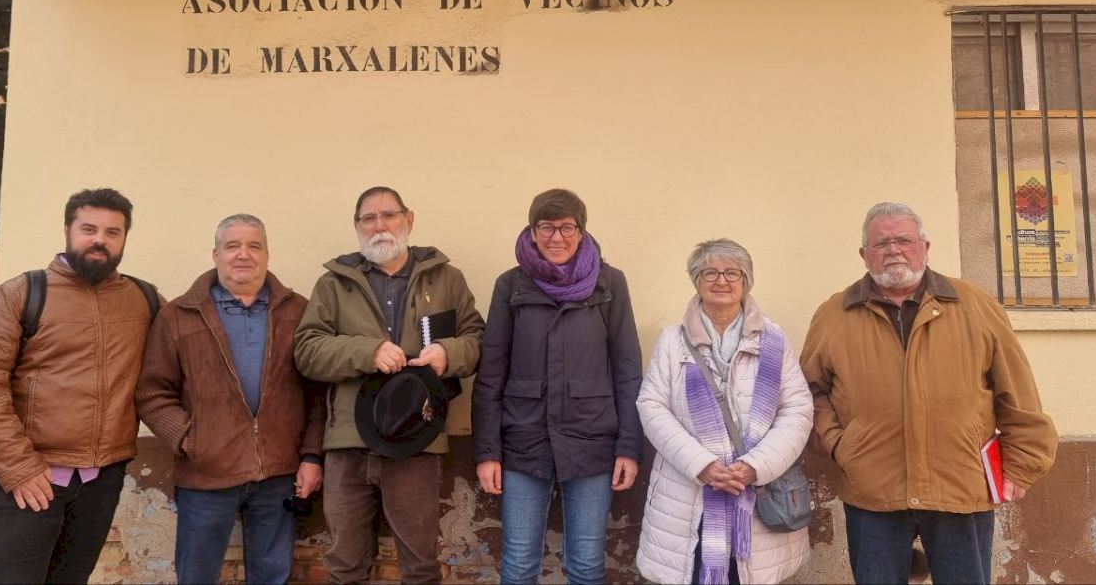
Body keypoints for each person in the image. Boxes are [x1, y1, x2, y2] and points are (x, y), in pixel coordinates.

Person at [800, 202, 1058, 584]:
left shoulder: (974, 305)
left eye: (904, 240)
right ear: (864, 254)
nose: (893, 250)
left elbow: (1016, 389)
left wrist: (1023, 461)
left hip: (959, 484)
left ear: (925, 247)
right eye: (881, 243)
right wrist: (841, 445)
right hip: (873, 489)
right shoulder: (834, 314)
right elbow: (809, 393)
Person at [0, 188, 159, 584]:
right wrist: (18, 467)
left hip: (101, 481)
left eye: (112, 232)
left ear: (124, 238)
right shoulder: (23, 293)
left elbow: (175, 364)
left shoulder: (144, 299)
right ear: (67, 230)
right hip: (32, 479)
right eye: (89, 229)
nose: (100, 240)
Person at [293, 186, 485, 584]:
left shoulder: (446, 279)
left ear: (408, 220)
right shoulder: (333, 284)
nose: (379, 225)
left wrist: (448, 353)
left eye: (389, 215)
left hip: (418, 439)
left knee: (420, 567)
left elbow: (478, 341)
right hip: (348, 444)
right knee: (345, 567)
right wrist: (367, 351)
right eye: (369, 218)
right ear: (357, 226)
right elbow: (307, 351)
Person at [137, 214, 325, 584]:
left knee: (272, 577)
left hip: (279, 473)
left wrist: (311, 455)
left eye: (254, 246)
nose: (243, 254)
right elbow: (152, 392)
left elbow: (317, 394)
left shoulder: (299, 312)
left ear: (267, 255)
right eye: (232, 246)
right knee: (197, 576)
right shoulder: (178, 315)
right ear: (216, 254)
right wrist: (190, 439)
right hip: (206, 475)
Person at [473, 188, 643, 585]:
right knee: (519, 564)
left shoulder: (610, 283)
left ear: (581, 231)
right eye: (546, 227)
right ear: (532, 232)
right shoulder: (510, 285)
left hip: (592, 439)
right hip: (523, 440)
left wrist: (629, 447)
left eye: (567, 227)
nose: (556, 237)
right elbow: (491, 372)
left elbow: (627, 370)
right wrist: (487, 452)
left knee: (586, 565)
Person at [635, 239, 812, 584]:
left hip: (757, 494)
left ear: (746, 281)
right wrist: (702, 465)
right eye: (710, 273)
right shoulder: (672, 341)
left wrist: (755, 466)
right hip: (688, 495)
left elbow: (798, 408)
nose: (721, 281)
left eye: (732, 273)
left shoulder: (773, 341)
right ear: (696, 280)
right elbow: (651, 406)